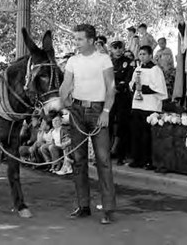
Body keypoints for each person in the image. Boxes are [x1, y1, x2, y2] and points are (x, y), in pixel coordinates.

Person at [59, 23, 116, 225]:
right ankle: (83, 206)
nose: (76, 43)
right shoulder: (73, 61)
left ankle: (108, 208)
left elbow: (111, 88)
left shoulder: (103, 59)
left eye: (80, 39)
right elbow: (66, 84)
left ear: (91, 40)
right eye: (75, 39)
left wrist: (106, 112)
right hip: (77, 111)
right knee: (78, 159)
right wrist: (63, 99)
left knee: (103, 160)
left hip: (98, 110)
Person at [129, 46, 167, 171]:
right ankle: (137, 159)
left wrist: (145, 88)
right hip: (137, 104)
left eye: (144, 54)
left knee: (147, 135)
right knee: (136, 133)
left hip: (150, 105)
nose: (142, 56)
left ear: (150, 55)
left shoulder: (155, 70)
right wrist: (135, 86)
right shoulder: (138, 68)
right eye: (140, 54)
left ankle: (148, 160)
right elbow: (131, 84)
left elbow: (160, 88)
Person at [109, 40, 134, 165]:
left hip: (122, 97)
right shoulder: (107, 62)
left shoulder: (128, 62)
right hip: (109, 98)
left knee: (122, 126)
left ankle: (121, 156)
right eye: (115, 48)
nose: (118, 50)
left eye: (120, 48)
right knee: (107, 126)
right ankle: (106, 153)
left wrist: (117, 88)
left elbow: (128, 79)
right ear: (111, 49)